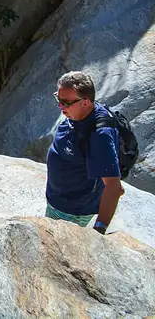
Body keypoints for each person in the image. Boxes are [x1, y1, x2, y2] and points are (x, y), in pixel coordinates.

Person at [46, 71, 124, 233]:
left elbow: (113, 186)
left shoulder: (99, 134)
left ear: (85, 102)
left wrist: (99, 230)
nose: (60, 106)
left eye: (65, 102)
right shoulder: (80, 112)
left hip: (71, 210)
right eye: (58, 99)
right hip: (59, 198)